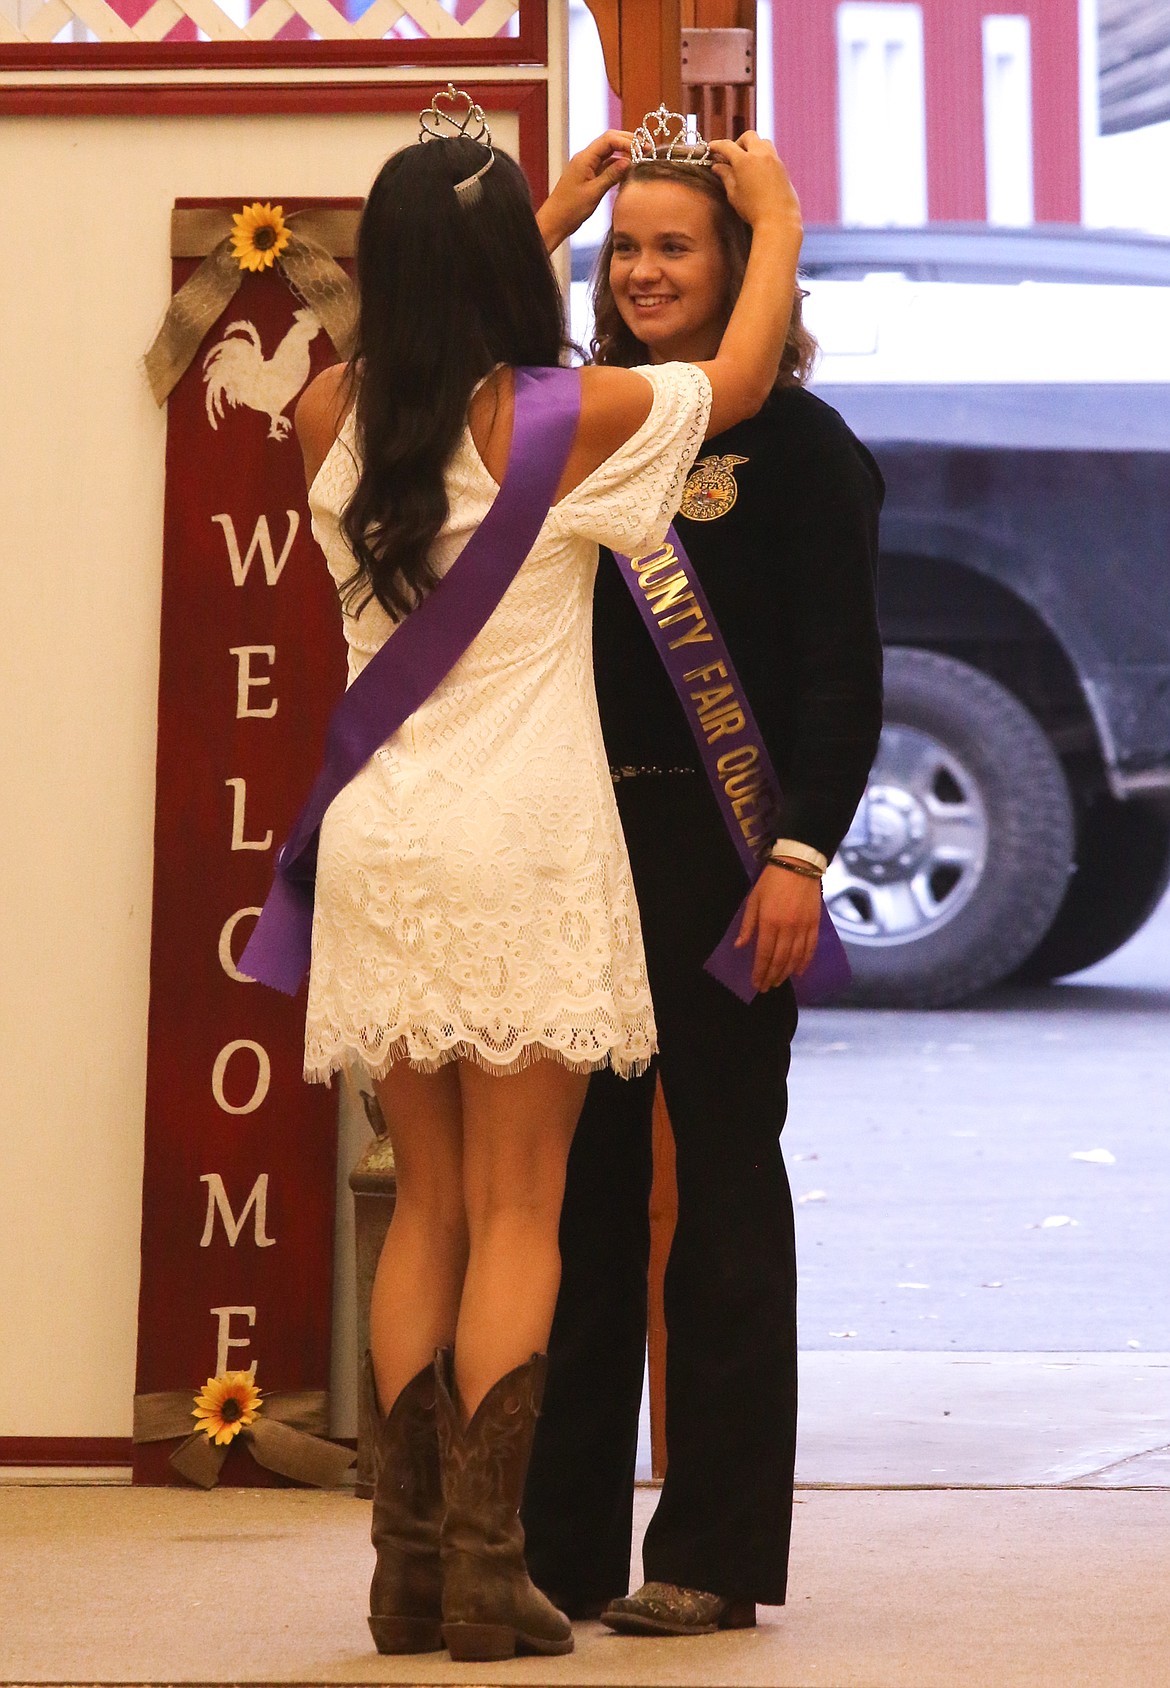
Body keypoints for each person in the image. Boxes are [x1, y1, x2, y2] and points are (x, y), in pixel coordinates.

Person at [288, 96, 806, 1664]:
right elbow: (734, 378)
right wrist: (770, 220)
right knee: (526, 1204)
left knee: (425, 1207)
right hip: (517, 834)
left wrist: (524, 220)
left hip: (376, 837)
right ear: (515, 271)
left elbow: (433, 326)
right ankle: (484, 1576)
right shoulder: (562, 420)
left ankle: (401, 1566)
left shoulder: (330, 410)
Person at [522, 147, 884, 1634]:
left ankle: (714, 1556)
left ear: (744, 272)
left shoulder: (802, 450)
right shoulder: (580, 424)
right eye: (626, 252)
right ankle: (549, 1554)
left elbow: (836, 677)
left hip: (734, 870)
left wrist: (799, 851)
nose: (649, 272)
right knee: (577, 1210)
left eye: (679, 247)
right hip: (572, 863)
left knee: (724, 1202)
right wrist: (544, 207)